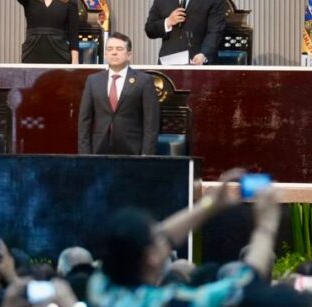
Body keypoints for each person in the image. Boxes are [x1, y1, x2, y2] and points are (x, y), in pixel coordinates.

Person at [87, 170, 280, 307]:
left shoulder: (98, 288)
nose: (164, 236)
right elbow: (245, 281)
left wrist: (210, 204)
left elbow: (163, 236)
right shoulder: (168, 302)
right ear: (150, 256)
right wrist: (266, 226)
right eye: (157, 237)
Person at [77, 33, 159, 156]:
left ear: (129, 55)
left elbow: (151, 123)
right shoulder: (93, 81)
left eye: (119, 49)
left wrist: (146, 156)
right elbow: (84, 121)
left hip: (133, 150)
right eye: (110, 49)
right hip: (99, 149)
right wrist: (84, 155)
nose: (114, 53)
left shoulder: (143, 81)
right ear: (105, 54)